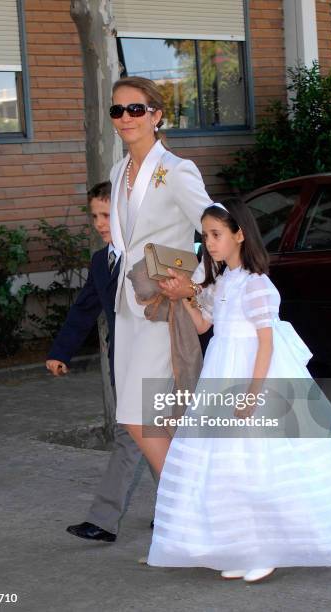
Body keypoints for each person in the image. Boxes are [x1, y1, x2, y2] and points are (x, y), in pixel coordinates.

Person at [147, 201, 331, 582]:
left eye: (216, 235)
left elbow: (266, 343)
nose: (208, 243)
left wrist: (253, 391)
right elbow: (202, 326)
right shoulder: (222, 283)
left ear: (239, 234)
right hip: (221, 371)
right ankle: (243, 545)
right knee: (229, 464)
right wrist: (184, 298)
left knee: (262, 461)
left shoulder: (257, 284)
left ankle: (268, 548)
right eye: (205, 236)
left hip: (254, 375)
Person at [109, 76, 213, 475]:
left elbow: (215, 231)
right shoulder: (119, 171)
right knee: (161, 418)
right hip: (127, 309)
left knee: (137, 416)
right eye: (117, 110)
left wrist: (195, 283)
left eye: (135, 109)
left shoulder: (177, 170)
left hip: (162, 310)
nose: (125, 118)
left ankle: (183, 501)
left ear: (157, 115)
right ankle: (184, 510)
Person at [46, 182, 154, 542]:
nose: (100, 223)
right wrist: (61, 351)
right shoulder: (100, 261)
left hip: (156, 362)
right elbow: (83, 310)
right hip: (121, 361)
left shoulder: (150, 254)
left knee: (133, 436)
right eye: (94, 216)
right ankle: (177, 507)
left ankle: (104, 520)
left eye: (107, 214)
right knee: (151, 436)